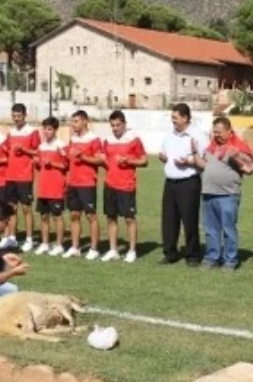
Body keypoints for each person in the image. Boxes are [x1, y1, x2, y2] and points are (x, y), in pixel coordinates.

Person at [194, 116, 253, 271]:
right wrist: (194, 153)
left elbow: (249, 169)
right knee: (210, 229)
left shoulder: (238, 147)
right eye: (214, 132)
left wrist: (236, 158)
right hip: (208, 193)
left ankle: (230, 260)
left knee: (228, 229)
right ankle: (211, 258)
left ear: (229, 131)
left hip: (228, 195)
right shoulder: (211, 147)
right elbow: (205, 166)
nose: (217, 135)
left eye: (220, 132)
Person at [158, 102, 207, 266]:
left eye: (175, 118)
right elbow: (164, 153)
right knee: (169, 220)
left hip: (189, 181)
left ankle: (192, 254)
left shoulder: (198, 135)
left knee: (189, 219)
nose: (173, 121)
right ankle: (170, 252)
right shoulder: (169, 135)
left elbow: (204, 159)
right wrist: (163, 157)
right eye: (172, 117)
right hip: (170, 181)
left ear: (185, 118)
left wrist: (190, 161)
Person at [100, 110, 148, 263]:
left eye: (118, 125)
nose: (115, 128)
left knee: (129, 219)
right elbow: (104, 159)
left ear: (124, 124)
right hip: (110, 184)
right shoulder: (107, 140)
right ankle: (113, 250)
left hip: (126, 185)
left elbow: (144, 160)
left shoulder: (134, 139)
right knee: (111, 218)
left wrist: (128, 161)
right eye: (112, 125)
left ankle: (132, 251)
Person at [64, 110, 104, 260]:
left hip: (87, 182)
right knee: (74, 215)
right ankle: (75, 247)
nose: (73, 124)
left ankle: (94, 248)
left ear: (85, 121)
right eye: (72, 121)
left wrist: (84, 157)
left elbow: (100, 160)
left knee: (91, 216)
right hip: (73, 182)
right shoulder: (73, 138)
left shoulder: (94, 139)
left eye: (76, 121)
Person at [3, 103, 40, 250]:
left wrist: (24, 150)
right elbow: (6, 148)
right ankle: (12, 237)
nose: (16, 119)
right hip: (10, 175)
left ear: (25, 115)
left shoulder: (32, 132)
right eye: (14, 116)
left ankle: (29, 239)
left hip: (24, 176)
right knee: (11, 208)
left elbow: (38, 152)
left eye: (19, 116)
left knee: (26, 208)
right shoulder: (11, 132)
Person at [34, 117, 69, 256]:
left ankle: (59, 244)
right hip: (43, 187)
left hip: (56, 187)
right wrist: (36, 162)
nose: (46, 132)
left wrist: (52, 164)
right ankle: (45, 243)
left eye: (49, 129)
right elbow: (39, 165)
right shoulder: (41, 147)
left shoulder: (61, 146)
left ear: (55, 130)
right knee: (43, 216)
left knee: (57, 216)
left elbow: (66, 165)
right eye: (44, 129)